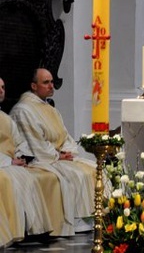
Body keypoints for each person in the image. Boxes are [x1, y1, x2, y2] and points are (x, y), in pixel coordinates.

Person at [10, 68, 98, 234]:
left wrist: (66, 152)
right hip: (41, 159)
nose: (51, 86)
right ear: (33, 86)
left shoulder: (50, 108)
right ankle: (78, 220)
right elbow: (34, 143)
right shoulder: (24, 110)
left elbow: (65, 136)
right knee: (77, 175)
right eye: (46, 82)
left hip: (57, 156)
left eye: (51, 82)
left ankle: (94, 218)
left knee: (94, 169)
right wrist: (58, 156)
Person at [0, 77, 57, 243]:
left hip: (11, 162)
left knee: (28, 176)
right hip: (4, 164)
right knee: (11, 179)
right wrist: (9, 162)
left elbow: (19, 141)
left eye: (3, 87)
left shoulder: (5, 118)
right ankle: (19, 230)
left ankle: (33, 228)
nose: (1, 90)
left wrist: (21, 156)